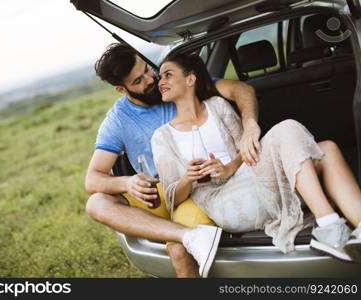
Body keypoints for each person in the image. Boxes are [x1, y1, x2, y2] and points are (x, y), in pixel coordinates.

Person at [151, 52, 361, 268]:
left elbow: (247, 151)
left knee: (328, 148)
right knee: (287, 127)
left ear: (190, 79)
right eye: (160, 77)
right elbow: (171, 198)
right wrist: (188, 178)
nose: (161, 82)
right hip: (222, 202)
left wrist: (229, 168)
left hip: (247, 175)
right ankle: (328, 225)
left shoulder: (217, 106)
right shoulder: (162, 137)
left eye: (168, 75)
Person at [85, 43, 261, 277]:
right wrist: (127, 183)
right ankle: (186, 235)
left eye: (147, 70)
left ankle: (183, 239)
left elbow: (242, 90)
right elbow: (93, 178)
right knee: (96, 203)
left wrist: (249, 126)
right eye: (138, 81)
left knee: (179, 252)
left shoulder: (175, 85)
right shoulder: (118, 120)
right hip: (155, 194)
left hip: (192, 190)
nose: (151, 80)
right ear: (121, 89)